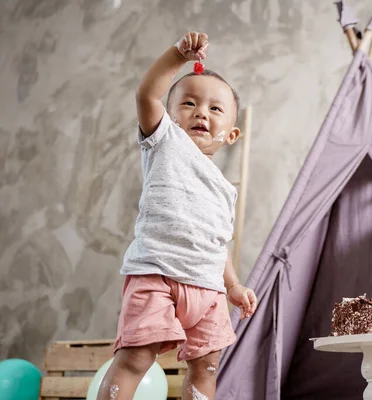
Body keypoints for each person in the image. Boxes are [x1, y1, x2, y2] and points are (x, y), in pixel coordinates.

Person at [97, 31, 258, 400]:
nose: (201, 112)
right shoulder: (164, 141)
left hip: (208, 287)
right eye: (189, 103)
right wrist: (177, 56)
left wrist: (233, 285)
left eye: (215, 109)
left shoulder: (225, 189)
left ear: (231, 134)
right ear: (169, 116)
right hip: (158, 273)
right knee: (136, 357)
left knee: (207, 365)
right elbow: (147, 94)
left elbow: (220, 242)